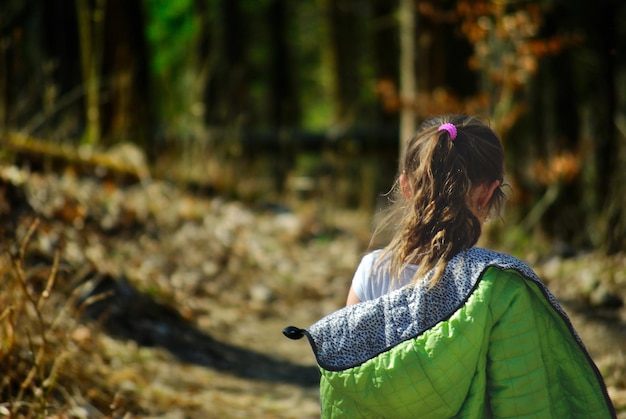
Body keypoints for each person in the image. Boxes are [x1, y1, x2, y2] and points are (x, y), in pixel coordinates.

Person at [284, 114, 617, 418]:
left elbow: (354, 374)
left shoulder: (370, 271)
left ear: (405, 186)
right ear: (488, 195)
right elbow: (522, 396)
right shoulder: (498, 285)